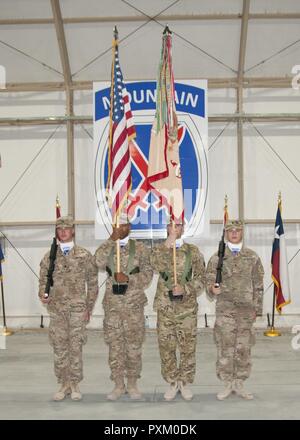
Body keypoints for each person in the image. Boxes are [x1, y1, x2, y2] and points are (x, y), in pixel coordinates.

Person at [39, 216, 98, 401]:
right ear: (56, 232)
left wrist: (88, 307)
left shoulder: (84, 255)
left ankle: (74, 384)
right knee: (59, 346)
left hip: (77, 309)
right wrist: (43, 294)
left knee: (75, 346)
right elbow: (43, 281)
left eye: (67, 228)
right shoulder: (50, 256)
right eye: (59, 229)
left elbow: (93, 283)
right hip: (57, 310)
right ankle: (63, 383)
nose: (63, 232)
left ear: (73, 231)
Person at [206, 220, 264, 401]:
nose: (233, 233)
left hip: (246, 311)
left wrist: (258, 308)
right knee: (225, 347)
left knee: (243, 348)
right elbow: (208, 280)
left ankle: (239, 383)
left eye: (237, 230)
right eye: (230, 230)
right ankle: (227, 383)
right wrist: (211, 289)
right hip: (226, 310)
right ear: (226, 233)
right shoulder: (217, 258)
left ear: (242, 233)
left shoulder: (252, 257)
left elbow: (259, 285)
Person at [94, 222, 153, 400]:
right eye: (118, 224)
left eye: (124, 224)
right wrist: (111, 239)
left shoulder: (141, 248)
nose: (121, 227)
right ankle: (118, 385)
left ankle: (133, 383)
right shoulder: (109, 247)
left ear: (130, 226)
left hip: (133, 305)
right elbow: (97, 261)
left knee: (134, 346)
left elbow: (148, 275)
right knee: (115, 347)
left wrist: (129, 279)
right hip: (113, 306)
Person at [150, 223, 206, 401]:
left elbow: (202, 279)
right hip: (165, 307)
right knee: (166, 347)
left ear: (184, 229)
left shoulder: (193, 251)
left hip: (186, 309)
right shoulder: (161, 249)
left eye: (179, 226)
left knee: (187, 347)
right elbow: (154, 263)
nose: (175, 229)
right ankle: (172, 381)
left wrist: (186, 288)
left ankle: (185, 382)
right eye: (171, 226)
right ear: (167, 228)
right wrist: (169, 241)